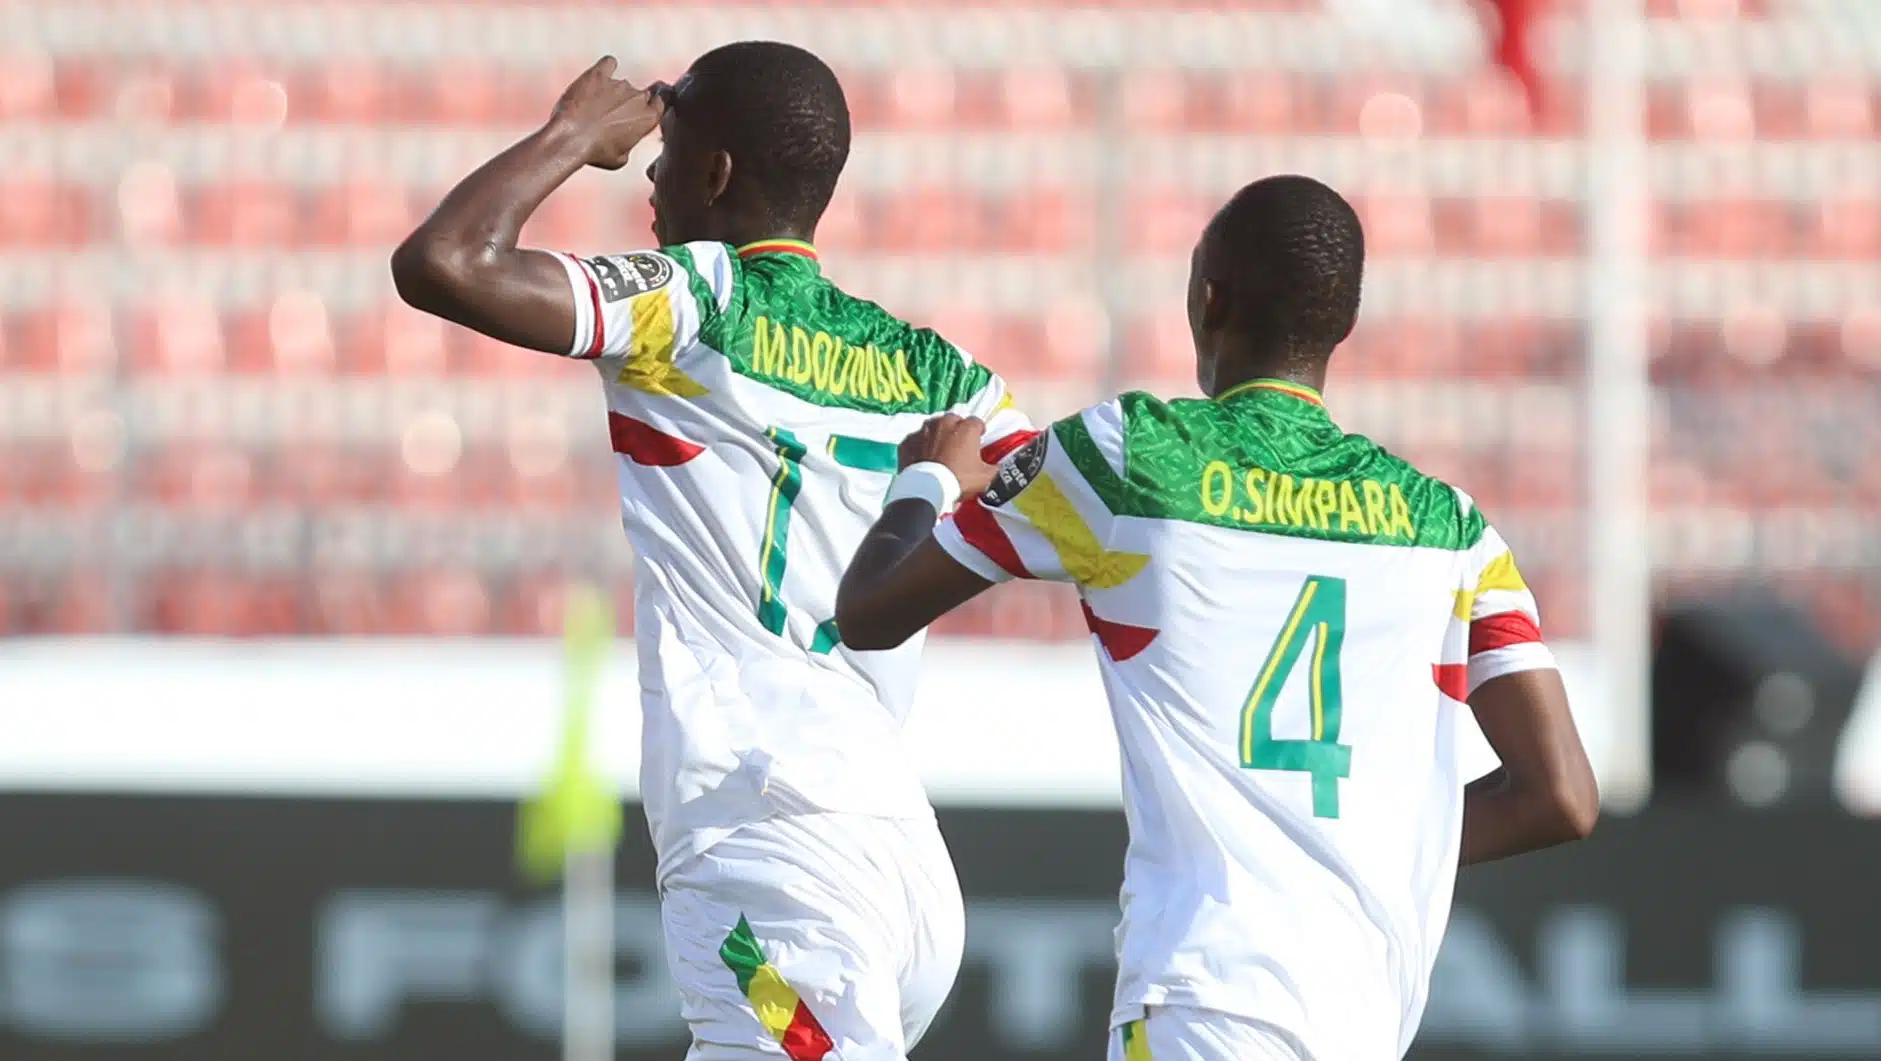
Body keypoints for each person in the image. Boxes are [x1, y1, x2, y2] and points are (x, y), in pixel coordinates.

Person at [835, 175, 1599, 1061]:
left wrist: (927, 477)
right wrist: (1377, 838)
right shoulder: (1451, 526)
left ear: (1207, 300)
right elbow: (1561, 796)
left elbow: (868, 612)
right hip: (1362, 1022)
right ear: (1340, 324)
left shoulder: (1129, 456)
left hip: (1205, 1004)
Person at [392, 41, 1035, 1060]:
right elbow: (1075, 513)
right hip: (898, 860)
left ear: (718, 173)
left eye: (668, 150)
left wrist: (571, 136)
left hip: (772, 851)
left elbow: (443, 263)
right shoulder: (942, 372)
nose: (648, 174)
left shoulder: (696, 303)